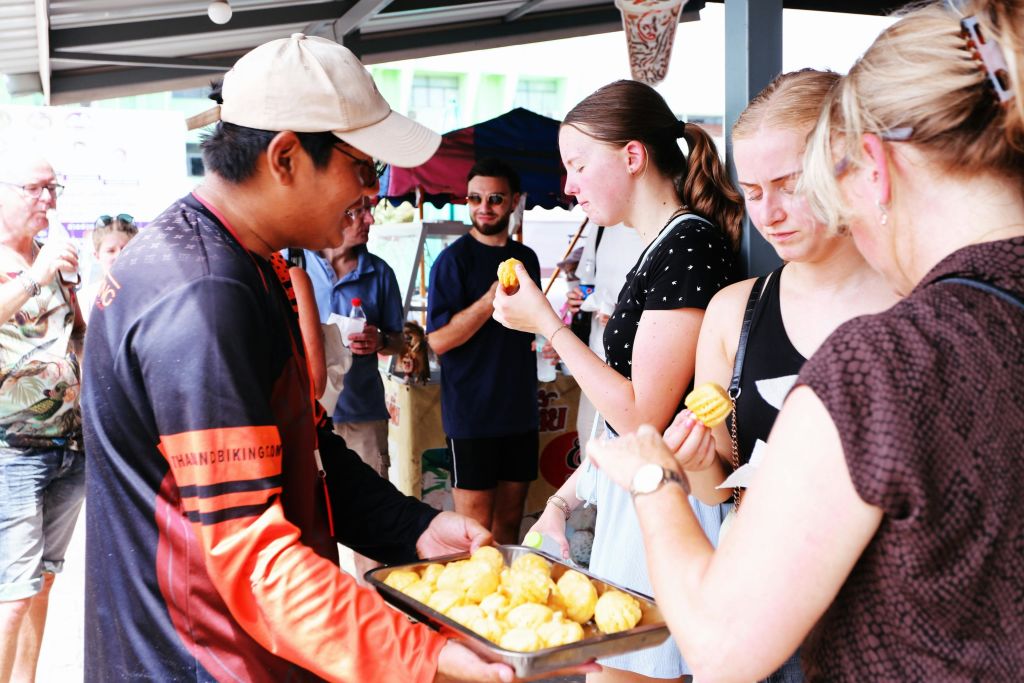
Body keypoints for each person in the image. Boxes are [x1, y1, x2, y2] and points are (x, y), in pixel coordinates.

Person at [80, 34, 565, 683]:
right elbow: (256, 560)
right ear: (285, 156)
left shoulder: (244, 258)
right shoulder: (203, 295)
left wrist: (416, 530)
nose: (374, 191)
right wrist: (424, 653)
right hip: (203, 658)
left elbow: (307, 448)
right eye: (364, 169)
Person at [585, 2, 1024, 681]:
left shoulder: (885, 360)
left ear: (869, 165)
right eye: (753, 190)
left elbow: (722, 644)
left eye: (814, 180)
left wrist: (653, 480)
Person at [493, 79, 743, 683]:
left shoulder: (690, 245)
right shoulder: (660, 245)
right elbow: (623, 424)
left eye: (578, 165)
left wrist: (548, 326)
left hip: (673, 505)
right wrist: (563, 499)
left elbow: (642, 417)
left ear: (632, 157)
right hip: (646, 499)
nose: (568, 185)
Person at [675, 69, 899, 683]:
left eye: (789, 185)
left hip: (886, 619)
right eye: (751, 191)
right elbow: (721, 488)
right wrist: (694, 460)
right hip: (763, 613)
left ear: (849, 163)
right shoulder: (732, 312)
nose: (767, 213)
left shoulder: (916, 304)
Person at [426, 158, 542, 546]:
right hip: (472, 417)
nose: (484, 207)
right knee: (473, 535)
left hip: (520, 413)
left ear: (514, 202)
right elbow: (438, 341)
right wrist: (489, 300)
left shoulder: (527, 261)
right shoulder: (451, 262)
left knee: (510, 527)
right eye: (475, 198)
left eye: (495, 198)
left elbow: (534, 327)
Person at [0, 154, 85, 682]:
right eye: (37, 189)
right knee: (12, 593)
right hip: (11, 447)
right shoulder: (33, 265)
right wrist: (37, 274)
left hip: (68, 445)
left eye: (55, 189)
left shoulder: (49, 257)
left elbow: (75, 337)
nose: (49, 201)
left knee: (44, 581)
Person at [305, 195, 404, 478]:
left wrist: (381, 341)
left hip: (363, 413)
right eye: (359, 212)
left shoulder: (380, 272)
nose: (369, 220)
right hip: (309, 415)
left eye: (369, 211)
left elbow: (399, 341)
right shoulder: (297, 264)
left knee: (371, 508)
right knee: (318, 507)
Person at [565, 223, 644, 454]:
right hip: (596, 363)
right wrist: (578, 298)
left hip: (638, 375)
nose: (572, 189)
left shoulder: (671, 232)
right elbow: (588, 286)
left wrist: (625, 319)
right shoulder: (600, 228)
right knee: (590, 456)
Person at [80, 213, 137, 323]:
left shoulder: (148, 294)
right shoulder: (85, 299)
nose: (119, 255)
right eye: (111, 251)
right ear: (97, 256)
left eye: (126, 248)